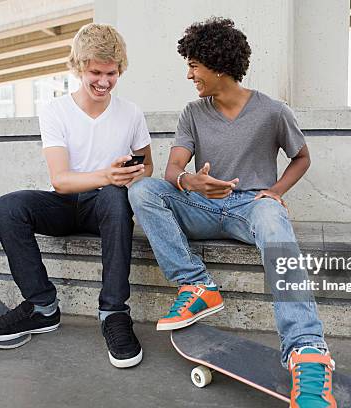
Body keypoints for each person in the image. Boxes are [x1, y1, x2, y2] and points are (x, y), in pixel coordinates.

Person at [128, 18, 336, 406]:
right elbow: (172, 171)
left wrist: (274, 191)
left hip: (250, 206)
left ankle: (307, 351)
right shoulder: (192, 112)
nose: (189, 74)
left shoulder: (273, 112)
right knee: (142, 189)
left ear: (218, 65)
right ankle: (196, 285)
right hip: (201, 206)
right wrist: (189, 182)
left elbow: (302, 157)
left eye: (194, 65)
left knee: (274, 217)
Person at [0, 23, 152, 369]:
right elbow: (60, 181)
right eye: (96, 72)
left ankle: (114, 311)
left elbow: (147, 166)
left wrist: (128, 172)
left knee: (115, 197)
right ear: (78, 68)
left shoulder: (130, 113)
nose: (104, 81)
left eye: (111, 73)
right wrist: (106, 172)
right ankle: (42, 306)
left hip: (105, 205)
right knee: (8, 207)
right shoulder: (56, 110)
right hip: (66, 203)